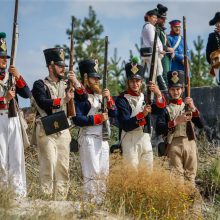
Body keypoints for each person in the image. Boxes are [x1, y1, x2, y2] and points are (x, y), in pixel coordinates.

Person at [32, 47, 83, 200]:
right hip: (46, 130)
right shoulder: (39, 84)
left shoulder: (68, 83)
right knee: (48, 167)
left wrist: (76, 82)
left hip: (63, 130)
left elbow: (84, 98)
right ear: (50, 66)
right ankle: (46, 201)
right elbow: (42, 102)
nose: (63, 69)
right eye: (60, 66)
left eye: (63, 66)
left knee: (63, 168)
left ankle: (61, 202)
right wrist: (63, 101)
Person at [73, 59, 117, 204]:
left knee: (103, 174)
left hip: (103, 139)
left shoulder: (101, 96)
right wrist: (97, 118)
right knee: (92, 174)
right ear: (86, 78)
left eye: (98, 78)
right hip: (89, 138)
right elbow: (77, 119)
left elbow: (114, 113)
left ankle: (100, 204)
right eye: (94, 77)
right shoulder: (81, 98)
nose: (97, 80)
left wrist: (109, 98)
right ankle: (90, 205)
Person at [115, 58, 166, 171]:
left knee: (148, 172)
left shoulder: (146, 97)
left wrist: (158, 94)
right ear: (128, 82)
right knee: (131, 173)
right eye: (132, 81)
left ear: (141, 82)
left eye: (137, 81)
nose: (135, 84)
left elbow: (161, 111)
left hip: (145, 137)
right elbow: (126, 125)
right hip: (129, 138)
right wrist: (142, 114)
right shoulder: (121, 99)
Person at [156, 70, 203, 186]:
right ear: (168, 90)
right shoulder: (165, 109)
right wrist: (176, 121)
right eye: (172, 89)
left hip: (190, 143)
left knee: (190, 178)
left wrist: (193, 107)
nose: (175, 92)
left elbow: (201, 125)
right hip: (174, 144)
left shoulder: (188, 106)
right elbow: (159, 128)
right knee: (177, 180)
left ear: (182, 90)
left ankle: (191, 204)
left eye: (178, 89)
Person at [0, 32, 31, 198]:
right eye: (1, 57)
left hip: (13, 119)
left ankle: (18, 194)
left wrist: (18, 76)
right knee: (1, 159)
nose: (5, 60)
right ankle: (3, 195)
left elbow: (27, 93)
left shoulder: (11, 76)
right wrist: (4, 99)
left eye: (6, 57)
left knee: (17, 157)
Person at [140, 8, 167, 90]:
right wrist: (160, 50)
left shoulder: (149, 27)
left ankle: (151, 89)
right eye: (153, 17)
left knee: (151, 73)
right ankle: (163, 89)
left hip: (153, 53)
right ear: (148, 17)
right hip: (153, 53)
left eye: (156, 18)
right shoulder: (149, 27)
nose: (155, 20)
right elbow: (153, 40)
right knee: (158, 71)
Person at [156, 4, 174, 83]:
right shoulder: (156, 29)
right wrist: (168, 48)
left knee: (168, 76)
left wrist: (171, 50)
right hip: (161, 56)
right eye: (162, 19)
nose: (164, 21)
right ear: (157, 18)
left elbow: (165, 42)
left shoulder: (161, 30)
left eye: (164, 19)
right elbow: (156, 44)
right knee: (165, 76)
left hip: (166, 56)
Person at [206, 12, 220, 85]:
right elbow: (208, 51)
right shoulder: (211, 36)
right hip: (217, 63)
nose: (219, 24)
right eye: (217, 23)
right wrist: (211, 62)